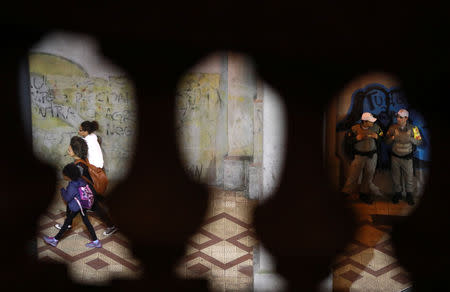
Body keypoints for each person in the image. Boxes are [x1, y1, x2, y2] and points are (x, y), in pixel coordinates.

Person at [54, 136, 117, 236]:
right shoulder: (81, 160)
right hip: (87, 190)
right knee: (94, 206)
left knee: (96, 208)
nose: (68, 150)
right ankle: (69, 224)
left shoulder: (79, 166)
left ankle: (112, 225)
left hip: (88, 191)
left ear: (75, 152)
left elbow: (73, 178)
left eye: (69, 149)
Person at [43, 163, 101, 248]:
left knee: (70, 222)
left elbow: (67, 198)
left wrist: (62, 190)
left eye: (64, 175)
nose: (63, 176)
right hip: (82, 204)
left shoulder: (72, 185)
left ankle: (55, 240)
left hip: (77, 207)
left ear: (69, 176)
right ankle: (96, 241)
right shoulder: (81, 180)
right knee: (84, 222)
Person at [341, 112, 384, 204]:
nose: (372, 123)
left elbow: (382, 137)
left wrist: (377, 137)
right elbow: (347, 141)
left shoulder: (376, 128)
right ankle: (346, 192)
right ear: (364, 121)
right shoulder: (354, 129)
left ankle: (364, 194)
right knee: (353, 176)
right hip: (359, 156)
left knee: (368, 176)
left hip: (372, 156)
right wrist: (356, 138)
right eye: (370, 121)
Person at [386, 109, 423, 205]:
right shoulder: (392, 128)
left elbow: (420, 142)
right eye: (397, 116)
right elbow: (386, 141)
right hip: (395, 157)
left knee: (409, 178)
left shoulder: (414, 128)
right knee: (395, 177)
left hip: (407, 158)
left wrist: (410, 139)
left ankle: (409, 195)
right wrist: (393, 138)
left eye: (400, 117)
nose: (398, 119)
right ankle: (397, 194)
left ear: (406, 118)